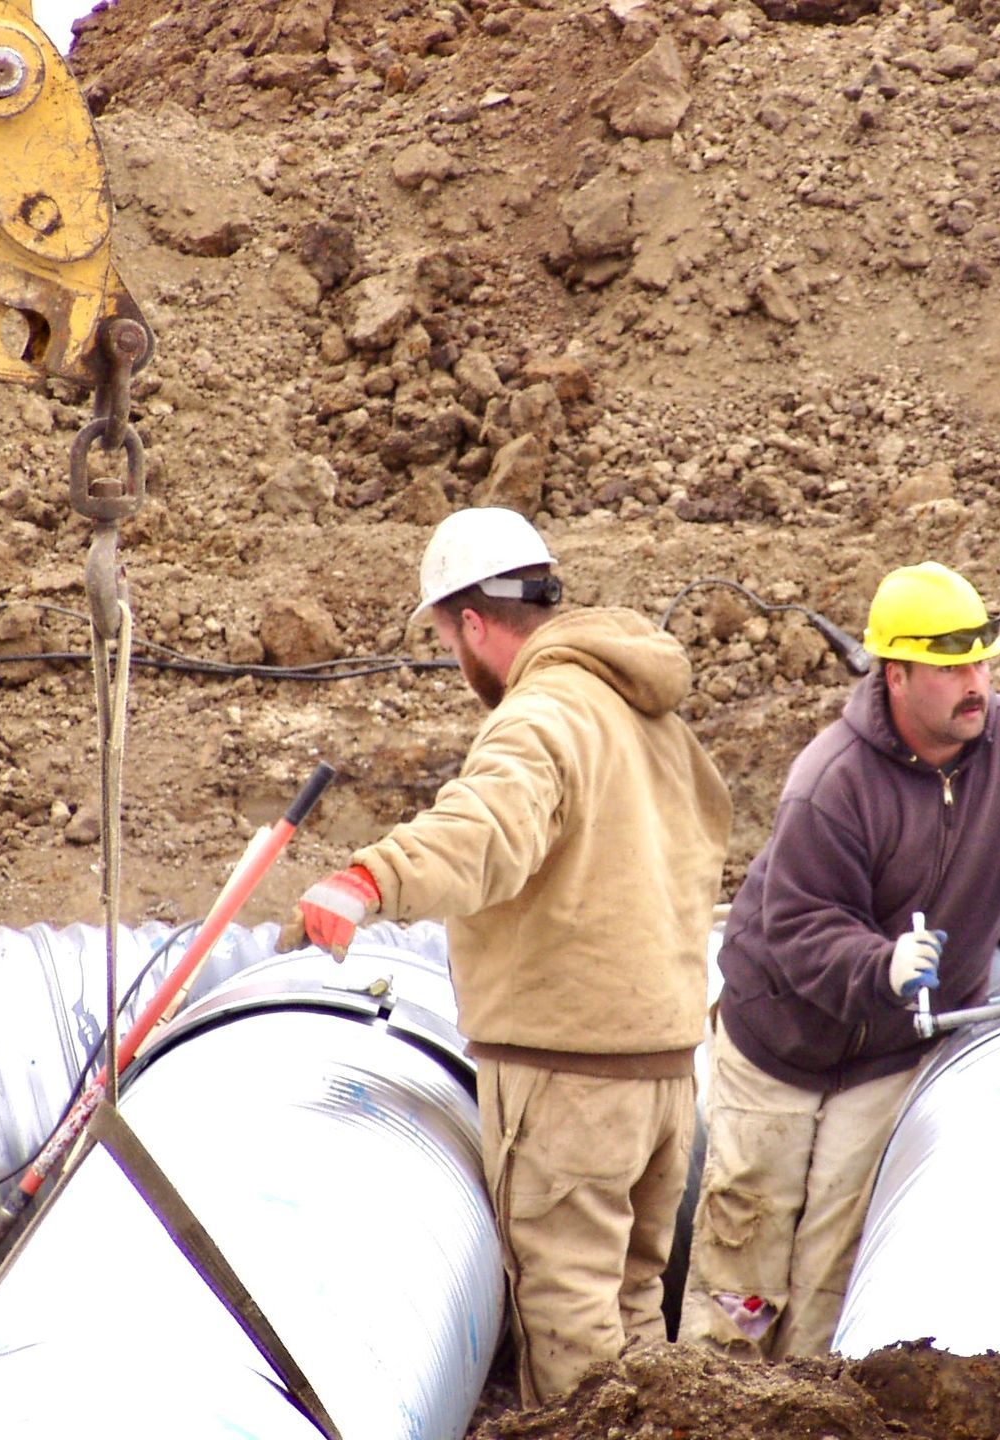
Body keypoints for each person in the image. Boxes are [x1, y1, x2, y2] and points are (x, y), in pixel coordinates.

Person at [680, 559, 1000, 1362]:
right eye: (952, 664)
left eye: (982, 660)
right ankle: (714, 1392)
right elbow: (798, 923)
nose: (976, 683)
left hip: (892, 1051)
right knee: (744, 1243)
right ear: (896, 675)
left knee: (835, 1258)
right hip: (778, 1041)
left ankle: (808, 1404)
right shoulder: (833, 781)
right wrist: (878, 964)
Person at [280, 506, 733, 1405]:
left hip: (570, 1084)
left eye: (449, 637)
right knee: (637, 1313)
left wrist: (368, 878)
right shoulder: (644, 714)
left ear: (474, 625)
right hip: (667, 1072)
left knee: (572, 1334)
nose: (456, 659)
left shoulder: (540, 717)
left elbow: (486, 827)